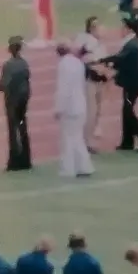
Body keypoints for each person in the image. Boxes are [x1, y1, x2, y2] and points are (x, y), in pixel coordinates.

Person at [102, 18, 138, 152]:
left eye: (123, 27)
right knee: (126, 111)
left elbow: (119, 58)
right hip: (132, 82)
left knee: (128, 111)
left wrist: (103, 61)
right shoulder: (130, 43)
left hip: (133, 83)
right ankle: (127, 142)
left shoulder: (131, 45)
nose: (121, 30)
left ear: (129, 29)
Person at [0, 37, 33, 171]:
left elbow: (4, 83)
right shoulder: (24, 63)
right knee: (22, 127)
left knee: (13, 129)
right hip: (23, 101)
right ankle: (26, 159)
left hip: (12, 102)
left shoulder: (8, 65)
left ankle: (15, 161)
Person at [55, 43, 94, 178]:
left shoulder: (63, 65)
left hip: (70, 108)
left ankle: (68, 169)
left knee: (68, 139)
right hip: (81, 105)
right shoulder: (78, 63)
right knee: (77, 138)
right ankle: (84, 166)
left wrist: (59, 108)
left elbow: (64, 89)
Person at [74, 17, 109, 151]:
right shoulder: (85, 40)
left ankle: (91, 134)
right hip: (90, 79)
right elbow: (84, 57)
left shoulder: (99, 43)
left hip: (99, 79)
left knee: (97, 109)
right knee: (91, 110)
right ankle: (87, 141)